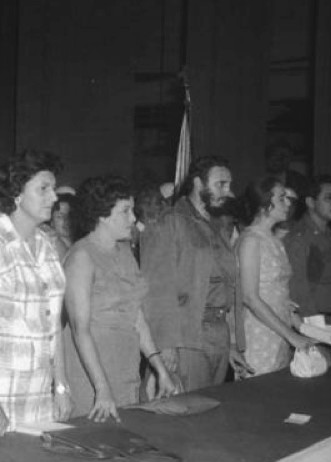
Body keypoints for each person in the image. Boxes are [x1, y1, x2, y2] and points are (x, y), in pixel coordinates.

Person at [0, 150, 70, 440]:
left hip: (38, 398)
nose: (53, 197)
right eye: (43, 188)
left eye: (53, 188)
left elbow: (53, 324)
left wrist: (60, 386)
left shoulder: (46, 247)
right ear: (17, 193)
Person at [63, 176, 177, 421]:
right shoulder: (81, 257)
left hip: (125, 362)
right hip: (91, 371)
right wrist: (101, 388)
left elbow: (136, 317)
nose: (134, 218)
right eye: (125, 211)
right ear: (102, 215)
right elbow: (80, 330)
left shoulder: (125, 252)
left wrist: (159, 369)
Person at [141, 156, 242, 392]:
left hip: (218, 333)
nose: (228, 192)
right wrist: (166, 344)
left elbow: (226, 285)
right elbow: (157, 289)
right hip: (186, 335)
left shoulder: (217, 227)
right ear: (198, 183)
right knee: (186, 406)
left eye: (229, 185)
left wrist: (230, 342)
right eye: (221, 184)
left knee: (211, 406)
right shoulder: (170, 222)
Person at [237, 177, 314, 377]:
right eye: (281, 198)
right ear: (264, 203)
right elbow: (250, 297)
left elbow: (277, 290)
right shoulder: (251, 241)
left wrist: (301, 327)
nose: (288, 203)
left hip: (278, 332)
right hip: (258, 333)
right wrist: (291, 336)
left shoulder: (274, 240)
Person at [284, 175, 331, 330]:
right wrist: (315, 331)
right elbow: (299, 291)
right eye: (329, 198)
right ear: (311, 202)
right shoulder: (303, 237)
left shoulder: (328, 235)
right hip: (315, 322)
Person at [47, 191, 75, 260]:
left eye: (69, 215)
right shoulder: (49, 249)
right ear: (51, 222)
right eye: (60, 216)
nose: (66, 220)